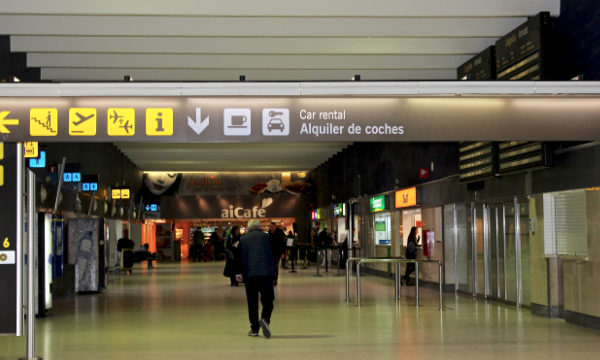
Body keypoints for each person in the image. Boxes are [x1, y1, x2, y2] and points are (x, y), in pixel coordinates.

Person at [235, 219, 275, 338]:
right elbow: (273, 253)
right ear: (259, 227)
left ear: (249, 227)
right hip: (266, 274)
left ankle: (254, 329)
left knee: (252, 303)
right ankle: (265, 319)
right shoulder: (266, 237)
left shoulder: (243, 239)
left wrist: (239, 273)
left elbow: (239, 257)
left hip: (250, 275)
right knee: (268, 301)